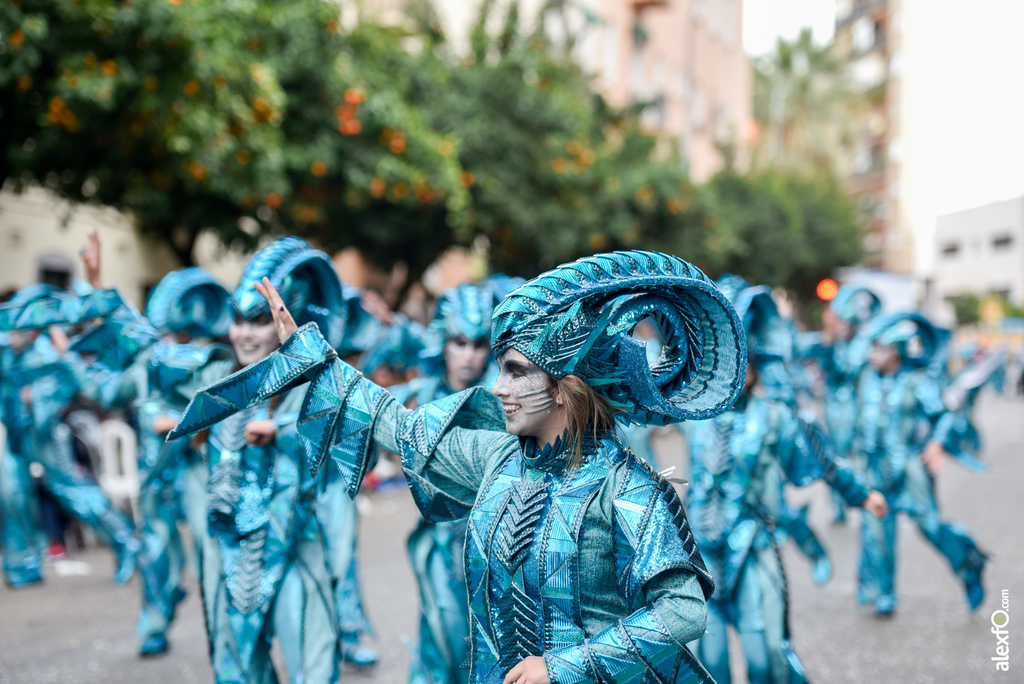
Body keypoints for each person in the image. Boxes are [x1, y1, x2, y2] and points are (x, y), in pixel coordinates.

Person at [171, 250, 751, 684]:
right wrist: (312, 359)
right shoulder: (496, 457)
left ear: (566, 387)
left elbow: (682, 609)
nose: (496, 387)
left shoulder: (627, 487)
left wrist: (565, 667)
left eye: (516, 371)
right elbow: (395, 422)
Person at [79, 236, 344, 683]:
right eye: (238, 321)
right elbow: (149, 350)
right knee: (236, 668)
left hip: (293, 541)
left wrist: (280, 431)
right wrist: (100, 287)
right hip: (227, 548)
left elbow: (354, 433)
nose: (244, 333)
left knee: (313, 664)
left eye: (258, 321)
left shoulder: (315, 383)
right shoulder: (216, 373)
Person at [683, 276, 888, 684]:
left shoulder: (775, 416)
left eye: (745, 366)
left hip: (751, 545)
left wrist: (862, 495)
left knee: (766, 658)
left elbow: (822, 460)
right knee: (709, 665)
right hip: (699, 557)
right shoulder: (693, 412)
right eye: (727, 366)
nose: (736, 376)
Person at [389, 283, 502, 684]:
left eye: (478, 343)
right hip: (439, 544)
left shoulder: (505, 398)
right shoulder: (419, 396)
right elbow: (371, 412)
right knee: (441, 643)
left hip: (498, 551)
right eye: (458, 342)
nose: (469, 355)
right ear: (443, 341)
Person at [0, 284, 138, 587]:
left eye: (24, 326)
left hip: (47, 437)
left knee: (73, 493)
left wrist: (33, 399)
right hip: (15, 438)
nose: (16, 332)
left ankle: (125, 541)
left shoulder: (51, 356)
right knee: (11, 491)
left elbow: (82, 388)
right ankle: (22, 564)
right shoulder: (5, 350)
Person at [853, 313, 988, 616]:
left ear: (896, 351)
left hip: (908, 467)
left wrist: (936, 444)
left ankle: (969, 564)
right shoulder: (865, 378)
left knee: (930, 526)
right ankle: (883, 592)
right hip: (874, 468)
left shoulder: (916, 381)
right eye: (873, 347)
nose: (874, 354)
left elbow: (945, 415)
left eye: (881, 348)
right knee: (877, 532)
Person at [802, 285, 882, 524]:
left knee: (859, 451)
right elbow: (803, 350)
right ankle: (838, 504)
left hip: (854, 404)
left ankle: (864, 494)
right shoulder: (832, 340)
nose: (844, 326)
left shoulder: (861, 343)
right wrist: (828, 336)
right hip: (832, 404)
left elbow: (846, 368)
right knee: (834, 452)